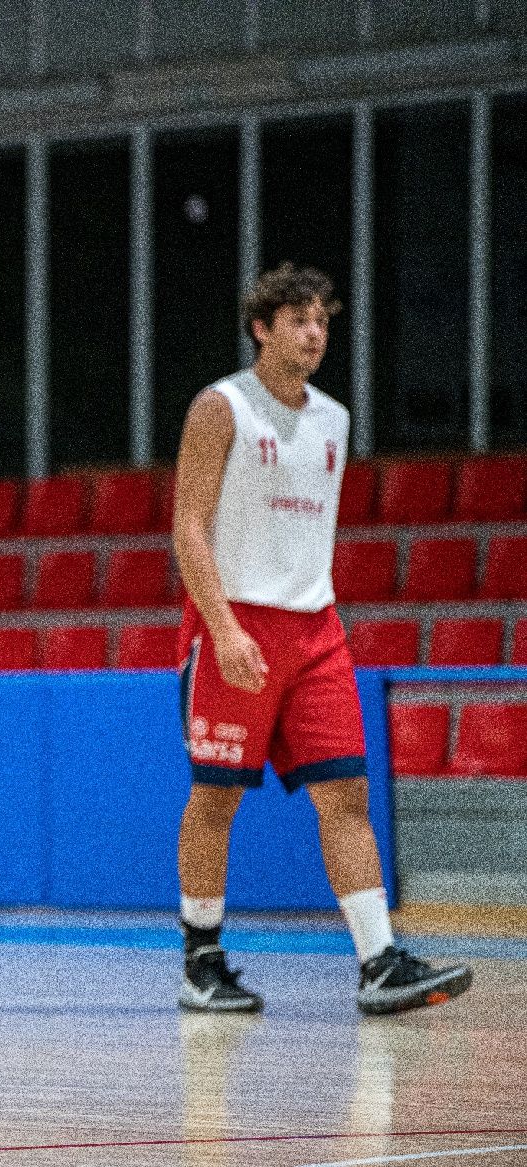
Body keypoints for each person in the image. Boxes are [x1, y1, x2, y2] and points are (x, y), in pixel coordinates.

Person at [172, 263, 472, 1016]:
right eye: (298, 320)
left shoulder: (335, 419)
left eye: (323, 322)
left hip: (316, 628)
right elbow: (188, 529)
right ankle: (201, 958)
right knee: (216, 797)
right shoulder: (222, 407)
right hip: (236, 620)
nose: (314, 333)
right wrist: (225, 628)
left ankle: (378, 960)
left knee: (346, 793)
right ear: (261, 328)